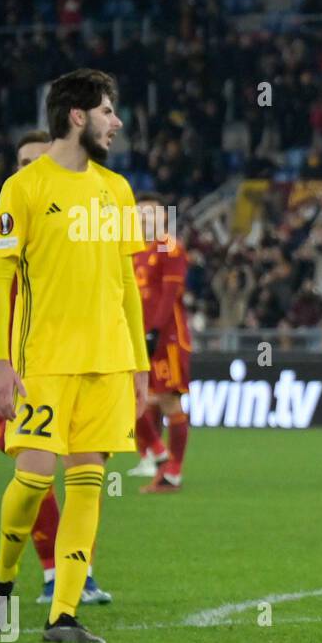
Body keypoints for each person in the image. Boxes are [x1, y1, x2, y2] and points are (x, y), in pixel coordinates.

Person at [0, 68, 149, 643]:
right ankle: (1, 581)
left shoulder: (117, 190)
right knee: (32, 478)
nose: (116, 122)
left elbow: (126, 281)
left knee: (88, 483)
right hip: (43, 361)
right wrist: (0, 361)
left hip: (107, 361)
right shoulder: (23, 189)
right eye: (108, 111)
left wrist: (140, 364)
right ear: (78, 116)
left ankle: (64, 615)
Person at [0, 130, 114, 606]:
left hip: (82, 361)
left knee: (83, 472)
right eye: (22, 161)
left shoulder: (78, 211)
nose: (30, 169)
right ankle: (38, 572)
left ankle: (73, 580)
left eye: (38, 160)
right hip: (25, 363)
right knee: (35, 474)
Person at [129, 193, 192, 493]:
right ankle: (158, 453)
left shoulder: (170, 246)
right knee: (134, 398)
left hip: (166, 338)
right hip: (138, 338)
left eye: (150, 214)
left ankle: (172, 473)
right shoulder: (132, 250)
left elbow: (169, 296)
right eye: (140, 215)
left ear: (163, 217)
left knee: (168, 400)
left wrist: (153, 331)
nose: (145, 219)